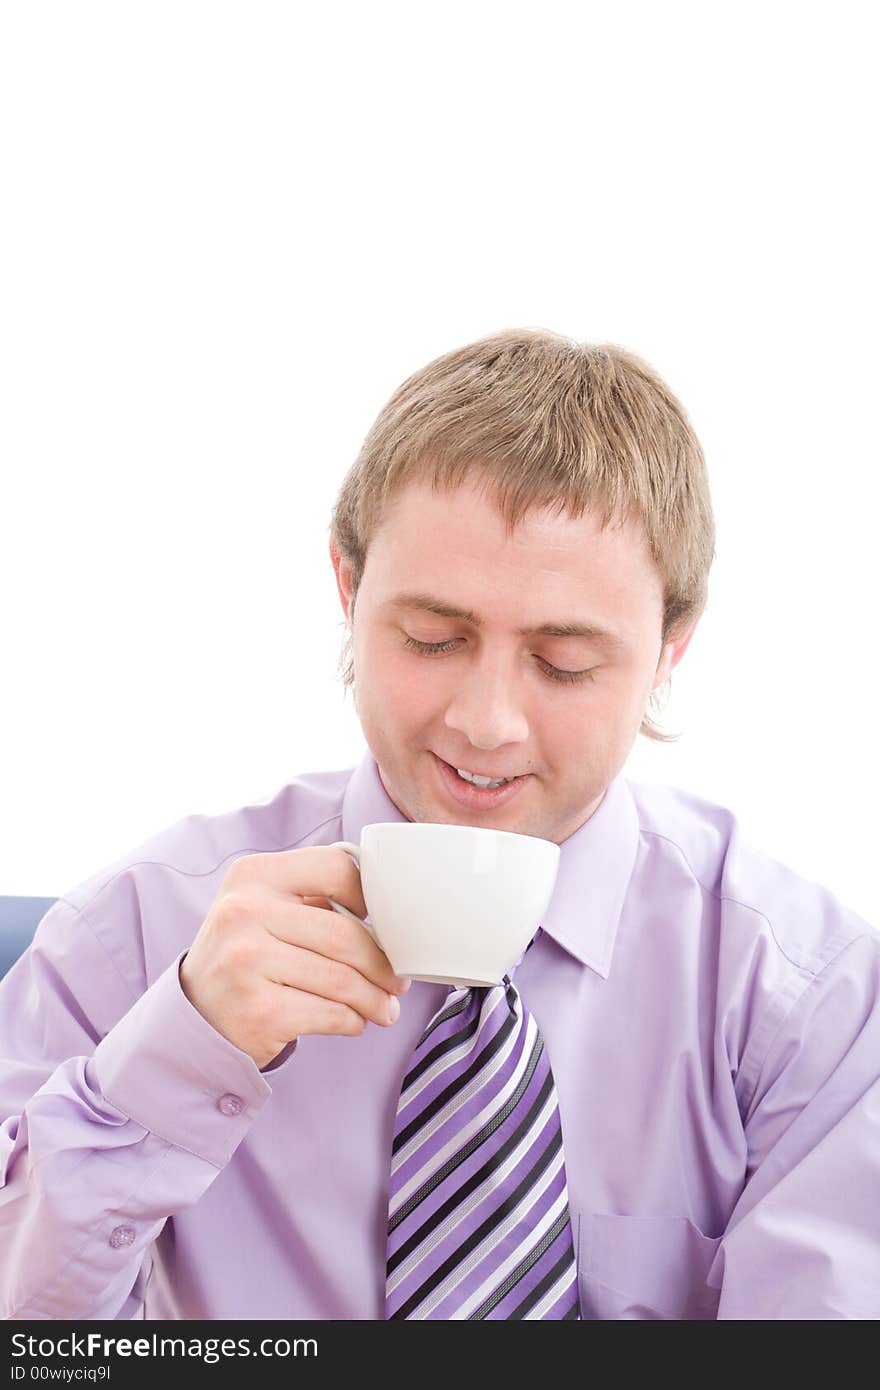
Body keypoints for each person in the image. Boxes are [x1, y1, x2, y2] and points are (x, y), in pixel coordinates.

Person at [1, 329, 878, 1321]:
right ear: (347, 587)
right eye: (431, 637)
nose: (484, 722)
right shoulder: (137, 933)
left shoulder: (809, 999)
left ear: (673, 641)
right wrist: (176, 1055)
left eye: (565, 663)